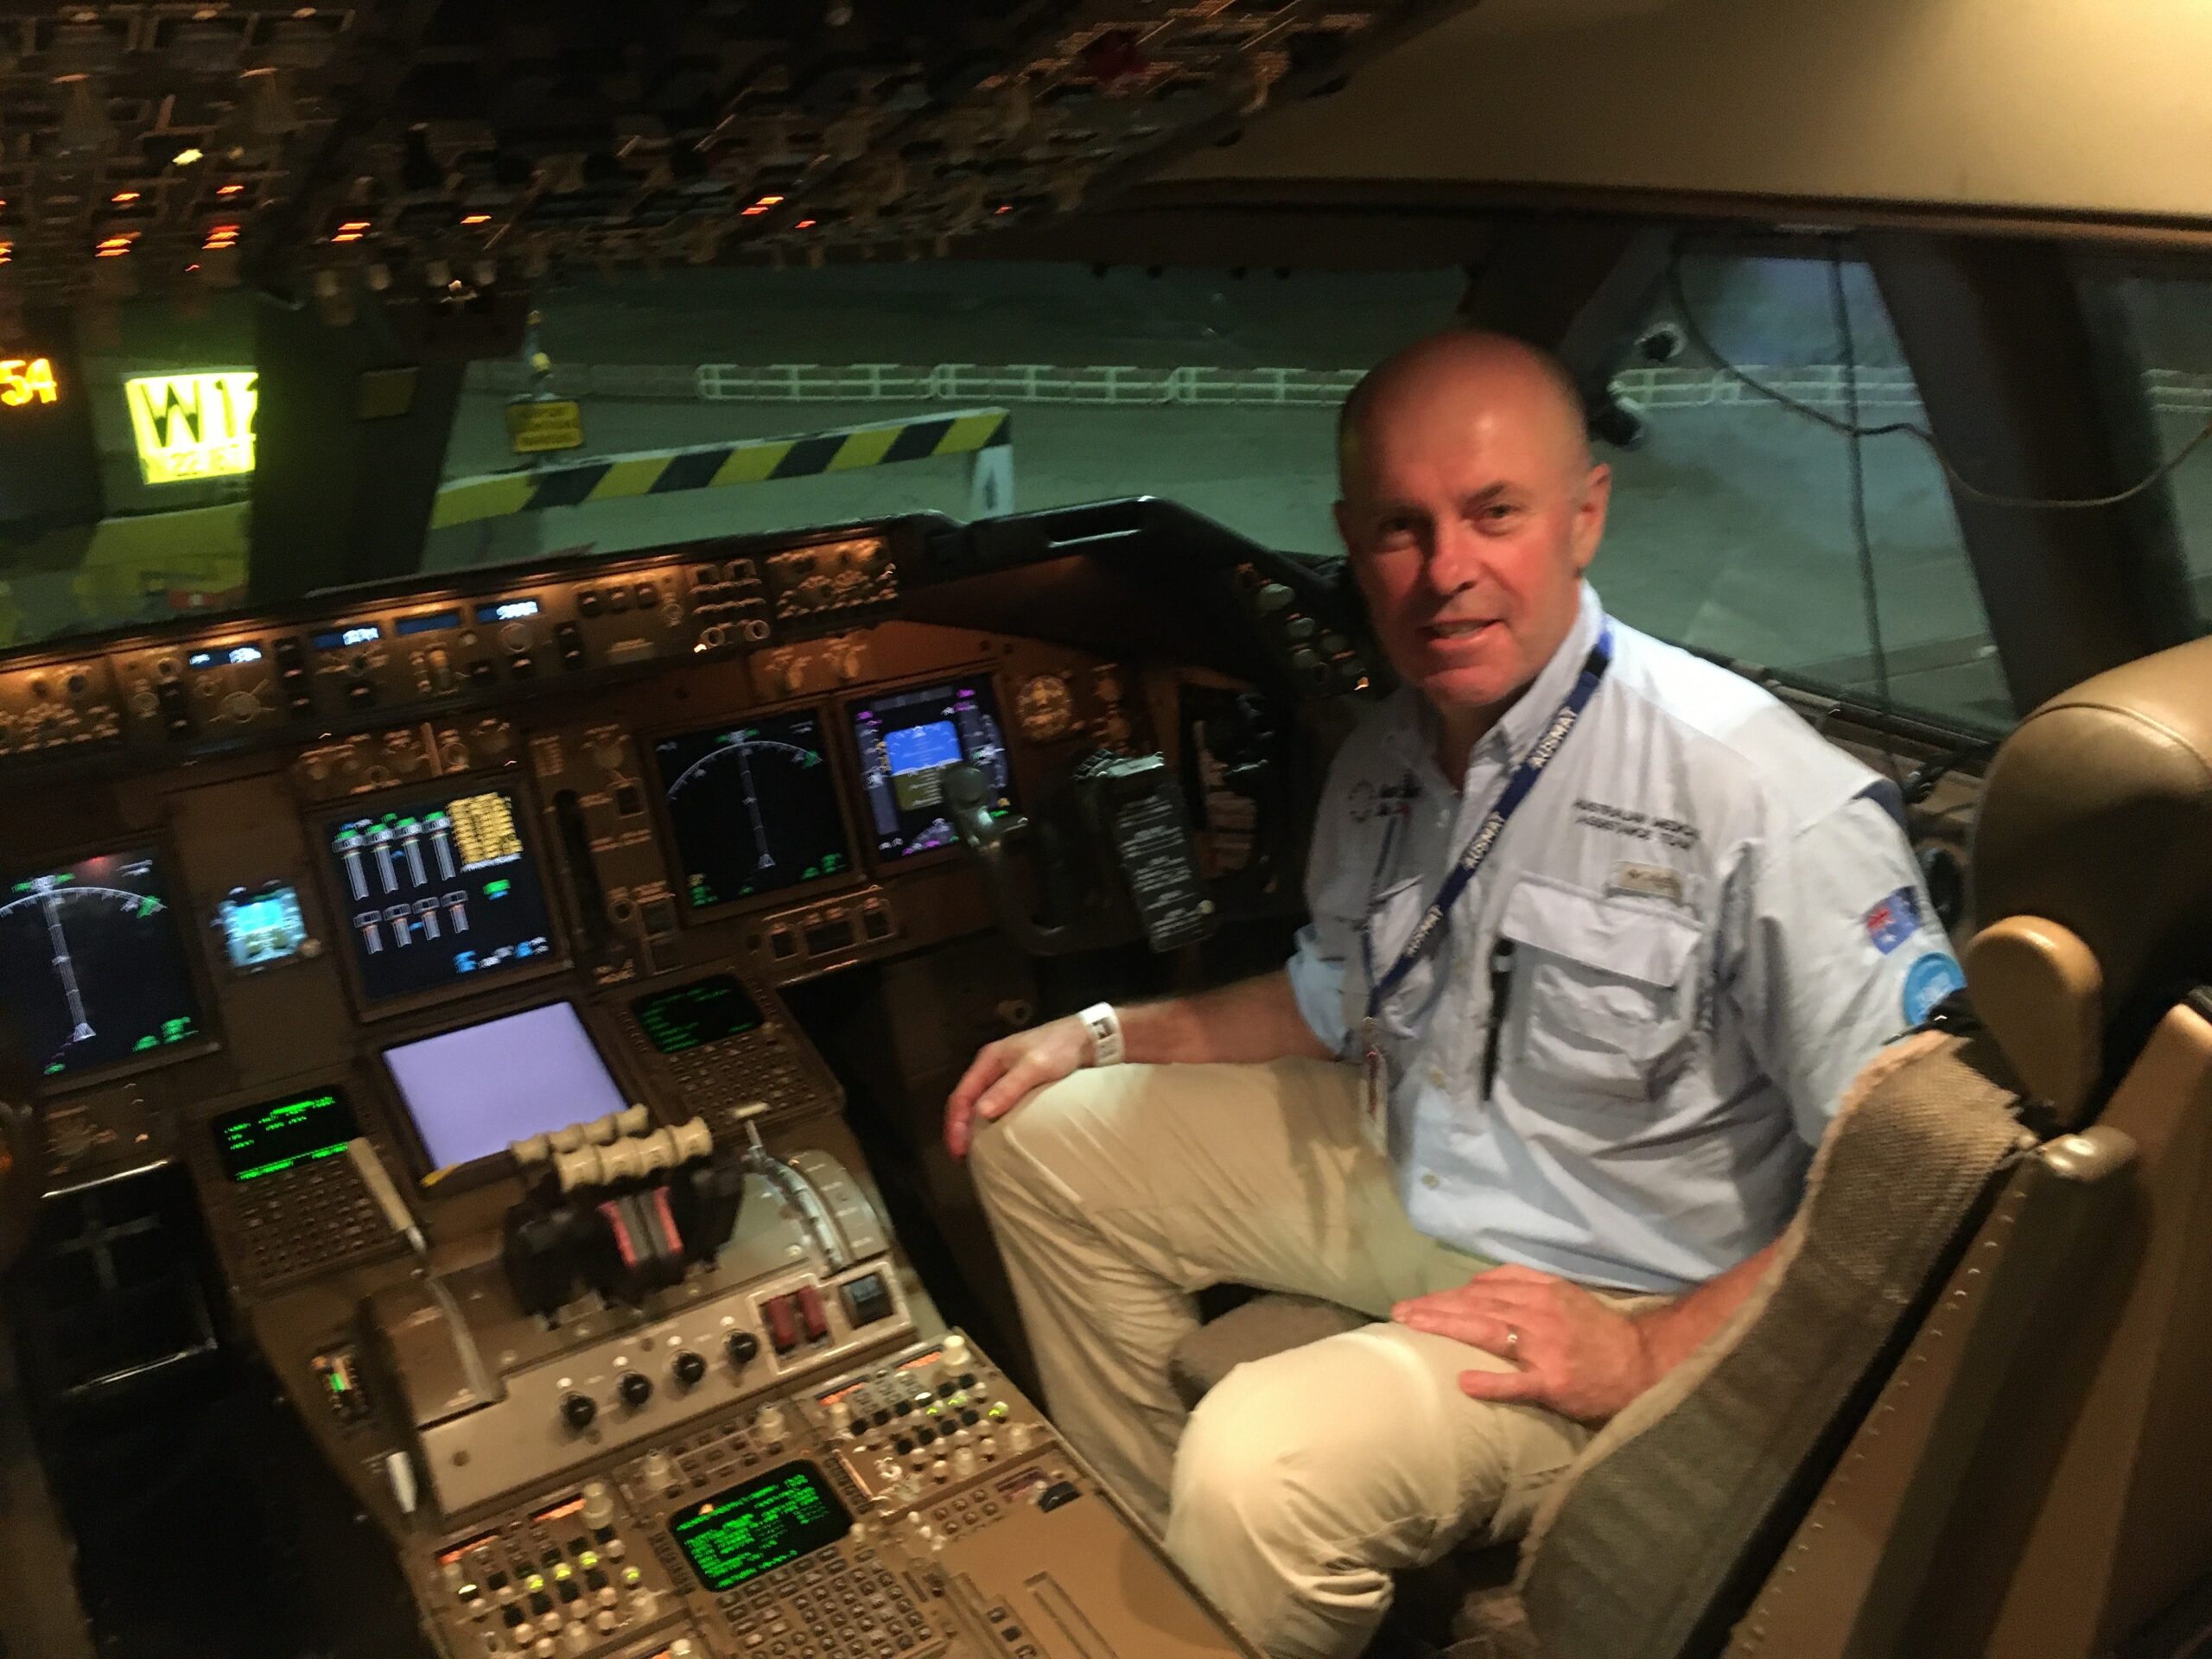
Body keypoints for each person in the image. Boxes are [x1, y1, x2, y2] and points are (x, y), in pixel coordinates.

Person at [945, 330, 1962, 1659]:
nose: (1446, 573)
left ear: (1585, 514)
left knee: (1263, 1468)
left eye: (1495, 514)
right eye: (1400, 529)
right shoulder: (1382, 759)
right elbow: (1331, 998)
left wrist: (1651, 1359)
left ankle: (1222, 1571)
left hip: (1624, 1292)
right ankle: (1171, 1595)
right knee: (1036, 1140)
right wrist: (1098, 1033)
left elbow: (1912, 1188)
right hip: (1420, 1171)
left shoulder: (1763, 801)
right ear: (1350, 544)